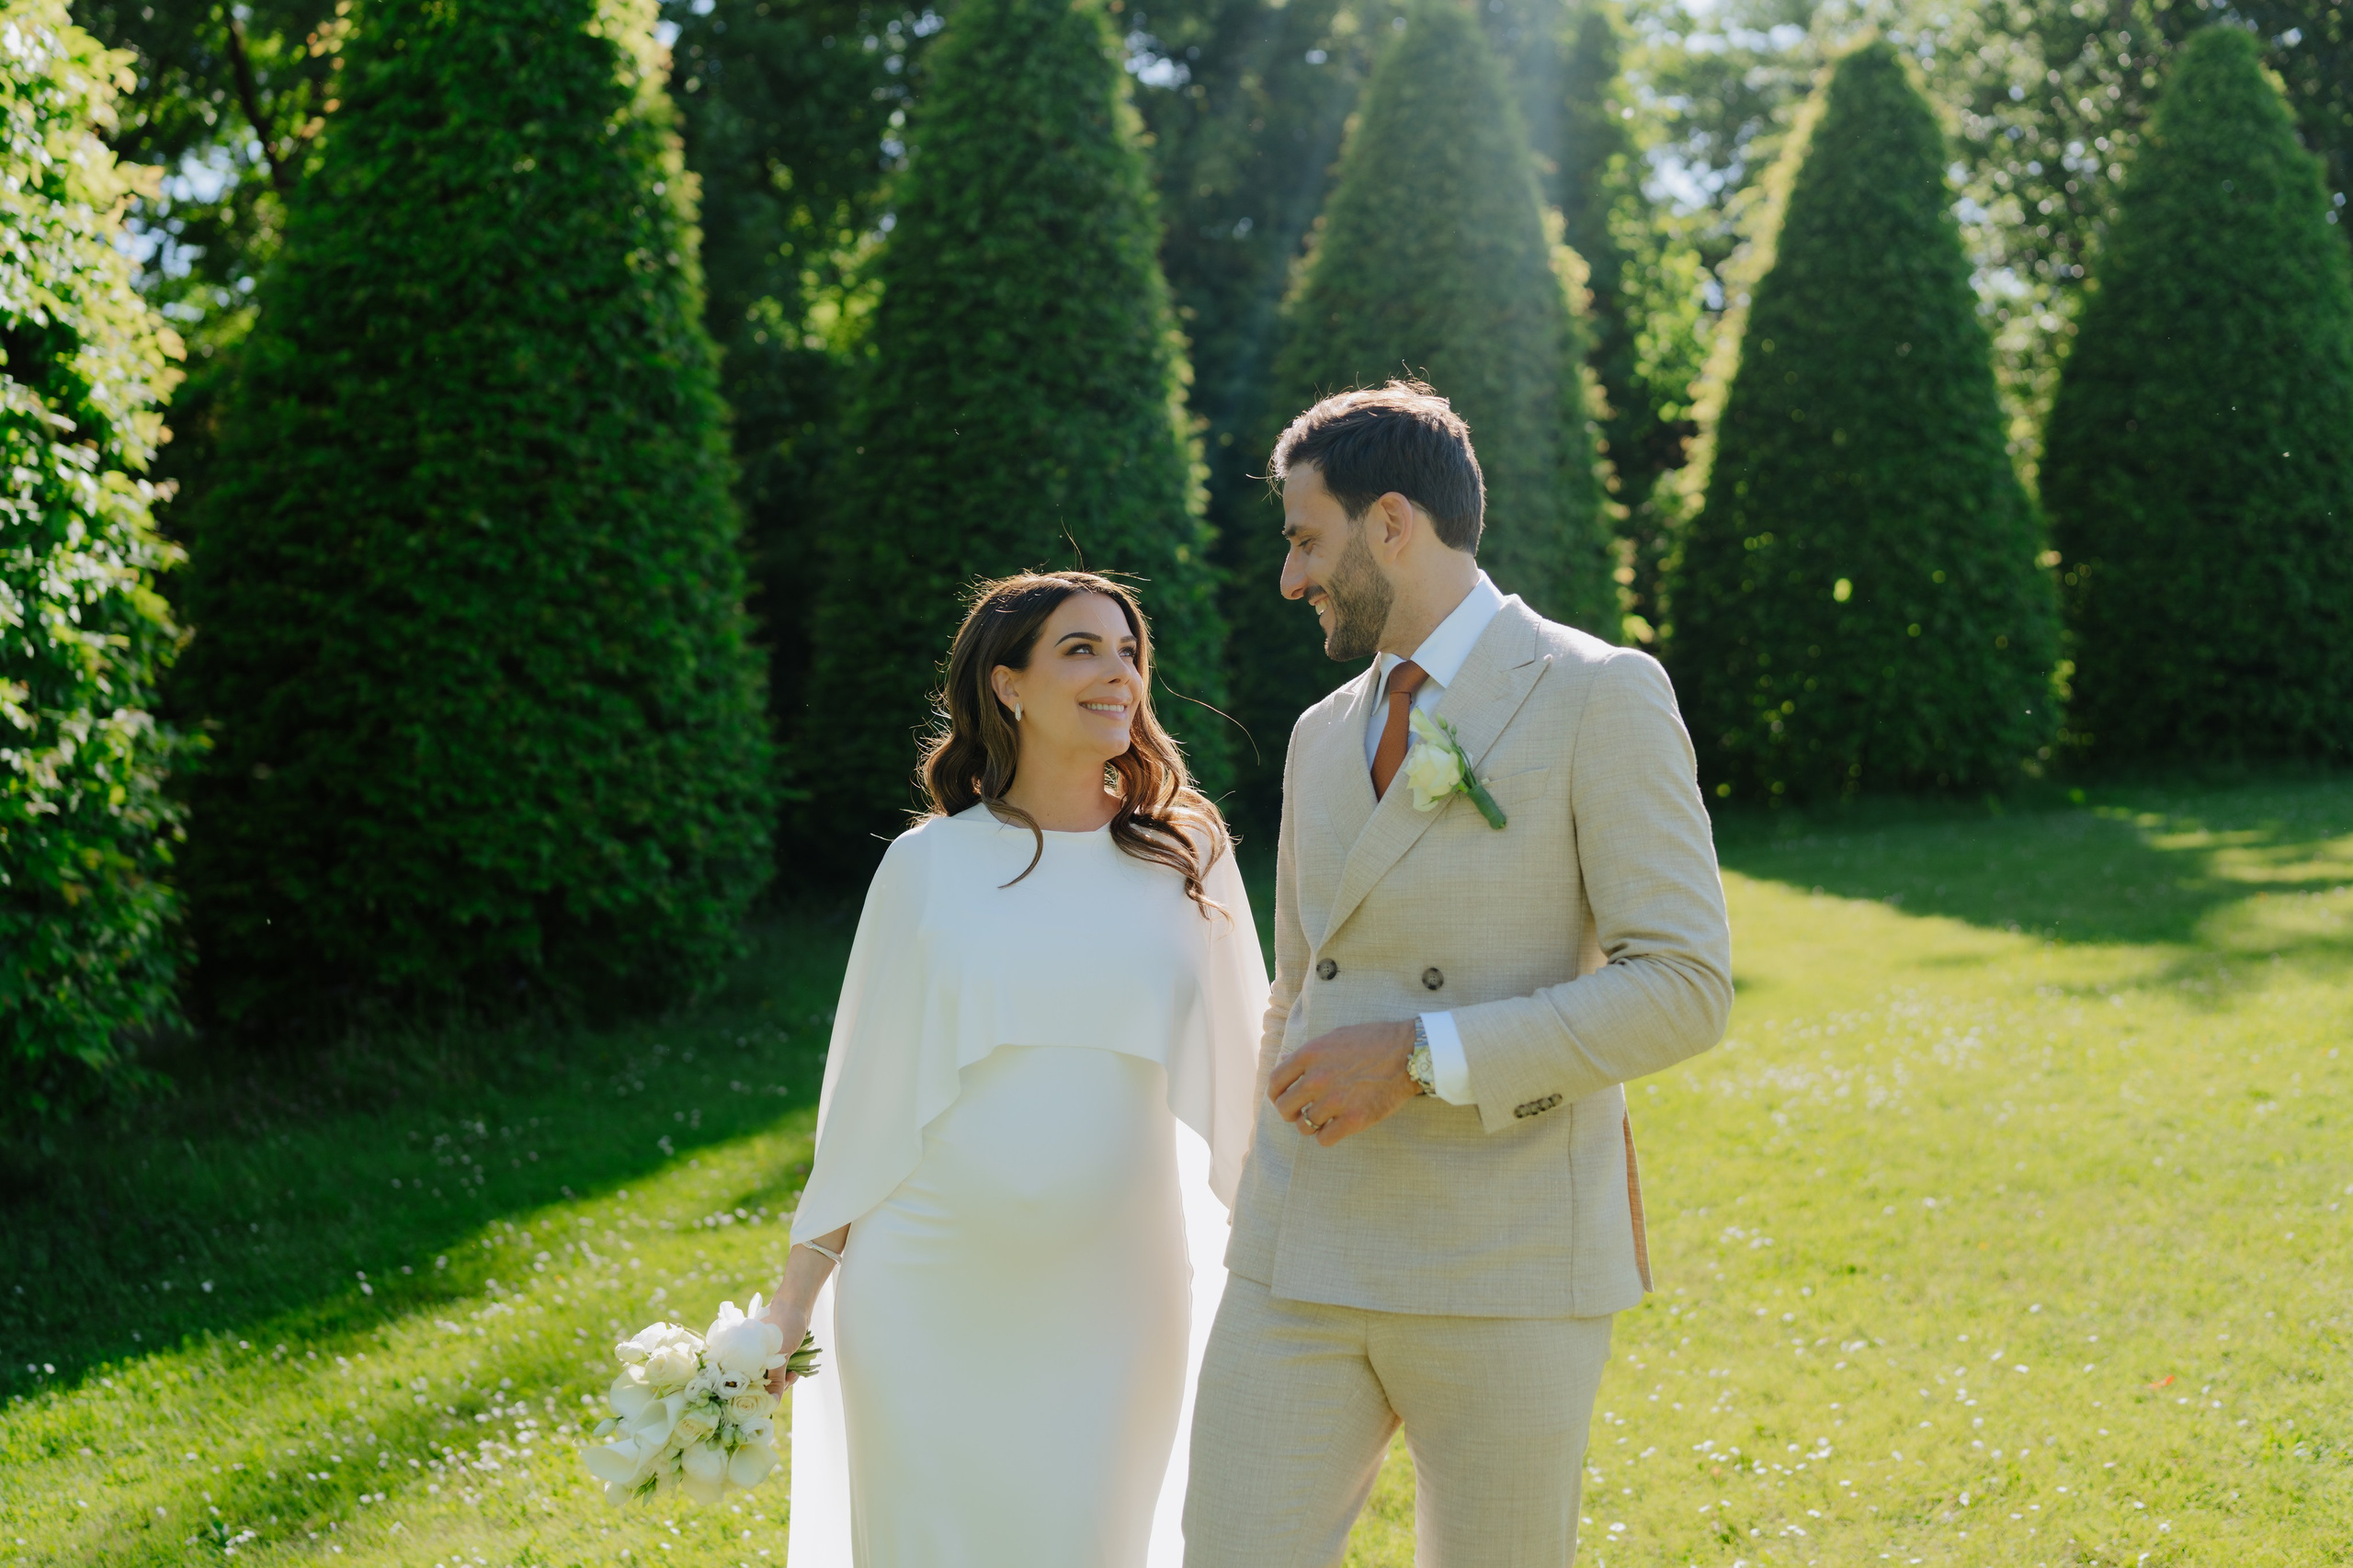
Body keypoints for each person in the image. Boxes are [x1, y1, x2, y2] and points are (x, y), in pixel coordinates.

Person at [1183, 381, 1734, 1565]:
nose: (1291, 578)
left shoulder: (1599, 693)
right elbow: (1296, 983)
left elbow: (1683, 980)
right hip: (1299, 1250)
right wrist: (1256, 1183)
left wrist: (1424, 1058)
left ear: (1392, 522)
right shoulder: (1321, 730)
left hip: (1506, 1253)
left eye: (1304, 538)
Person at [759, 572, 1267, 1567]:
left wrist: (1297, 1264)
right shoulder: (927, 867)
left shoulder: (1187, 854)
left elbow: (1250, 1073)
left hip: (1118, 1297)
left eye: (1128, 651)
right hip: (926, 1289)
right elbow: (862, 1108)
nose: (1117, 671)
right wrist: (790, 1303)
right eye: (1080, 649)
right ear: (1008, 684)